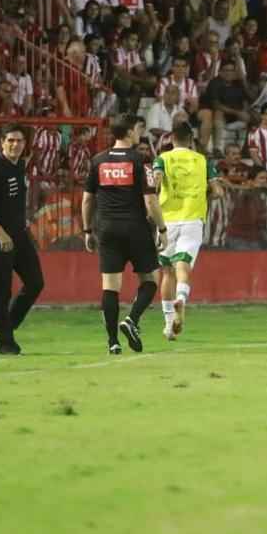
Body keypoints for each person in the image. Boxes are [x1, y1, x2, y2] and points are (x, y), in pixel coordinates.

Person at [82, 115, 166, 355]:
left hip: (107, 228)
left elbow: (88, 199)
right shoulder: (141, 161)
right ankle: (131, 320)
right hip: (136, 228)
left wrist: (88, 230)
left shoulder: (98, 161)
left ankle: (112, 342)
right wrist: (162, 229)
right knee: (150, 280)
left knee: (110, 287)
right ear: (129, 133)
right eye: (138, 130)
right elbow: (150, 200)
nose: (139, 134)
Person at [0, 124, 44, 355]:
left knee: (35, 283)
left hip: (20, 236)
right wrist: (0, 232)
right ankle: (5, 343)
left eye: (19, 141)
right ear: (2, 142)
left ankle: (4, 326)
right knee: (2, 290)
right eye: (10, 140)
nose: (15, 145)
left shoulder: (20, 165)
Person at [152, 123, 225, 341]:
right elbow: (218, 192)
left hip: (167, 220)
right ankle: (182, 298)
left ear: (171, 138)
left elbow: (155, 183)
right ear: (191, 139)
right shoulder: (203, 161)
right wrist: (203, 197)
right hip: (193, 219)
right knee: (182, 265)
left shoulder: (162, 159)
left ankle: (167, 326)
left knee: (166, 272)